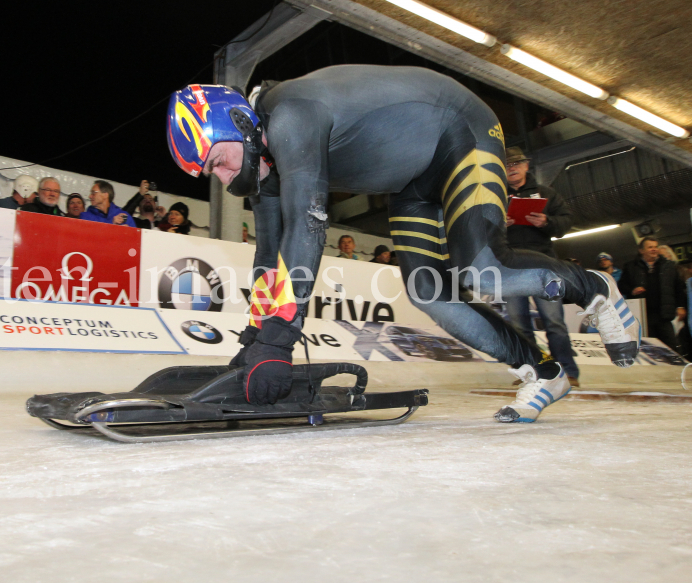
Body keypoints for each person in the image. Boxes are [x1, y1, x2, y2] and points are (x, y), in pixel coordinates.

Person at [166, 67, 640, 423]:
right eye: (215, 175)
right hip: (413, 177)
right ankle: (543, 373)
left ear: (242, 126)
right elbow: (269, 254)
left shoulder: (289, 116)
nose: (227, 179)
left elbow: (308, 226)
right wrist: (254, 341)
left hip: (462, 131)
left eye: (219, 162)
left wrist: (278, 339)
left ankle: (592, 286)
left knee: (483, 270)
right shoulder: (264, 158)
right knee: (428, 293)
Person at [500, 147, 580, 388]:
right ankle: (530, 372)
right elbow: (479, 230)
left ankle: (567, 372)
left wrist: (547, 221)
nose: (512, 168)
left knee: (554, 321)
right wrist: (497, 225)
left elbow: (566, 222)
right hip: (510, 268)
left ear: (527, 165)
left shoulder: (547, 194)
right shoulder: (493, 198)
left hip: (544, 266)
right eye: (507, 165)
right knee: (518, 323)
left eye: (516, 163)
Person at [619, 237, 687, 352]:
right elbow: (621, 286)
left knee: (672, 348)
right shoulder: (630, 267)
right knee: (648, 348)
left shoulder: (668, 266)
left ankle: (675, 369)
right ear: (641, 250)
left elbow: (679, 288)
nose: (654, 249)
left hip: (664, 315)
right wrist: (632, 290)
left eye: (655, 247)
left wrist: (681, 306)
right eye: (650, 247)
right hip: (643, 316)